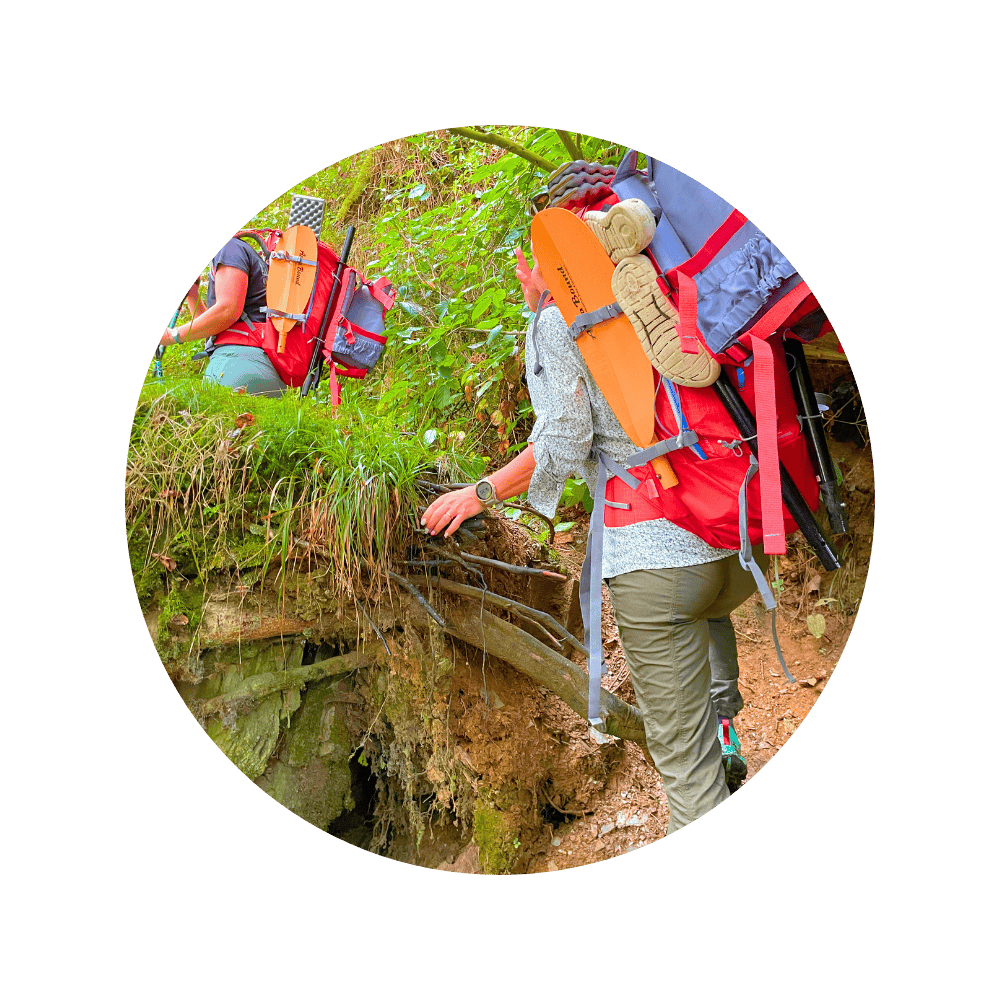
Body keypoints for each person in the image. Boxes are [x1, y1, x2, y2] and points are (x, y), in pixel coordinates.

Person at [423, 237, 760, 833]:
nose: (523, 271)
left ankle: (709, 753)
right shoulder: (657, 289)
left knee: (688, 774)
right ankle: (723, 723)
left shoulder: (560, 322)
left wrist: (479, 494)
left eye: (530, 257)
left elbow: (562, 440)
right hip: (730, 536)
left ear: (552, 261)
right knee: (704, 612)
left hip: (654, 561)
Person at [159, 237, 286, 397]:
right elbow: (212, 327)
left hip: (235, 366)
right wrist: (193, 294)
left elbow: (228, 311)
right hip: (262, 368)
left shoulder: (229, 248)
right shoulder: (245, 254)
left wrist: (172, 335)